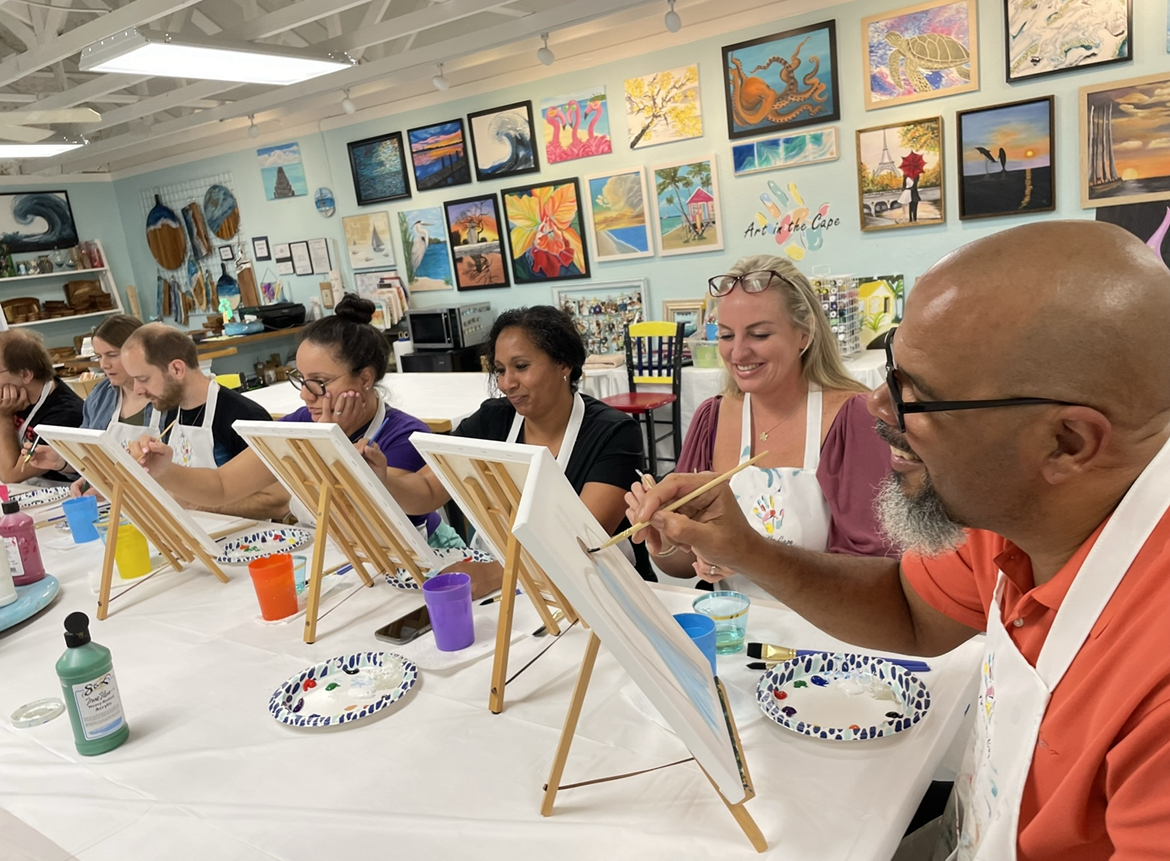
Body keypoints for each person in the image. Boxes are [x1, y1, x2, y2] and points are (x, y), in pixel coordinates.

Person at [626, 221, 1170, 861]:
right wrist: (747, 548)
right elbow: (910, 611)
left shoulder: (1151, 661)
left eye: (916, 393)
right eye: (891, 370)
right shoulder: (1010, 518)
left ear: (1067, 442)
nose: (879, 406)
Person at [641, 256, 894, 597]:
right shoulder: (711, 419)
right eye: (727, 335)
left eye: (759, 334)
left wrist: (751, 557)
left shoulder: (852, 420)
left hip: (827, 629)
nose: (739, 352)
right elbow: (684, 568)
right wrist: (664, 537)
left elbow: (880, 573)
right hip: (737, 626)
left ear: (803, 334)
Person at [132, 295, 451, 547]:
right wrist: (165, 471)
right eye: (301, 379)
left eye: (319, 381)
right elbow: (223, 485)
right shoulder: (300, 423)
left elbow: (360, 516)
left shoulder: (403, 435)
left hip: (405, 561)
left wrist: (331, 442)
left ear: (365, 378)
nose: (305, 395)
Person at [372, 305, 644, 588]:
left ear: (564, 363)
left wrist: (496, 575)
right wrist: (380, 477)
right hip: (514, 582)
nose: (506, 383)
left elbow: (584, 542)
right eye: (500, 370)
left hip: (594, 587)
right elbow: (427, 491)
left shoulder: (613, 433)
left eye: (521, 367)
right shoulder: (492, 421)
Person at [119, 323, 287, 520]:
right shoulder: (172, 411)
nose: (137, 389)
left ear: (177, 369)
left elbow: (279, 502)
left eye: (143, 379)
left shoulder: (244, 416)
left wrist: (196, 505)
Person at [25, 315, 155, 481]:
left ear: (139, 352)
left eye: (112, 355)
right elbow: (89, 457)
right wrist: (62, 461)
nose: (103, 365)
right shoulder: (101, 394)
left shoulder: (163, 396)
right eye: (99, 356)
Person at [0, 329, 84, 484]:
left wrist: (3, 418)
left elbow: (12, 475)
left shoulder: (65, 415)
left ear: (25, 375)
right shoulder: (15, 399)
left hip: (61, 494)